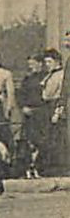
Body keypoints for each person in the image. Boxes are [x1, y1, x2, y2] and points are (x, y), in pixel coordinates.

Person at [40, 47, 67, 176]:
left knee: (56, 138)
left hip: (55, 105)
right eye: (46, 62)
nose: (47, 65)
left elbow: (49, 94)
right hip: (48, 107)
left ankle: (57, 167)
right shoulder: (51, 74)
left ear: (57, 62)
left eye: (49, 62)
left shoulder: (60, 75)